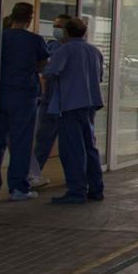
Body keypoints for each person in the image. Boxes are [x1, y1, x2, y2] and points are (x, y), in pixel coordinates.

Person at [42, 16, 104, 204]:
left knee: (72, 149)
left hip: (69, 105)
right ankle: (96, 188)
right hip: (89, 105)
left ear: (67, 32)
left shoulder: (65, 50)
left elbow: (50, 72)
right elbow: (99, 76)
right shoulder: (94, 51)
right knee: (89, 147)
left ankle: (76, 191)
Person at [0, 2, 49, 200]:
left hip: (0, 94)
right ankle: (18, 188)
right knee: (21, 142)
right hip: (24, 96)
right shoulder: (34, 41)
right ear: (30, 18)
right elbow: (44, 66)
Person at [27, 13, 71, 190]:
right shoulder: (50, 46)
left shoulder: (76, 50)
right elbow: (43, 71)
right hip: (48, 102)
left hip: (67, 105)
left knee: (70, 144)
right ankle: (33, 176)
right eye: (55, 26)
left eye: (59, 26)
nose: (56, 29)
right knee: (42, 142)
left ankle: (74, 177)